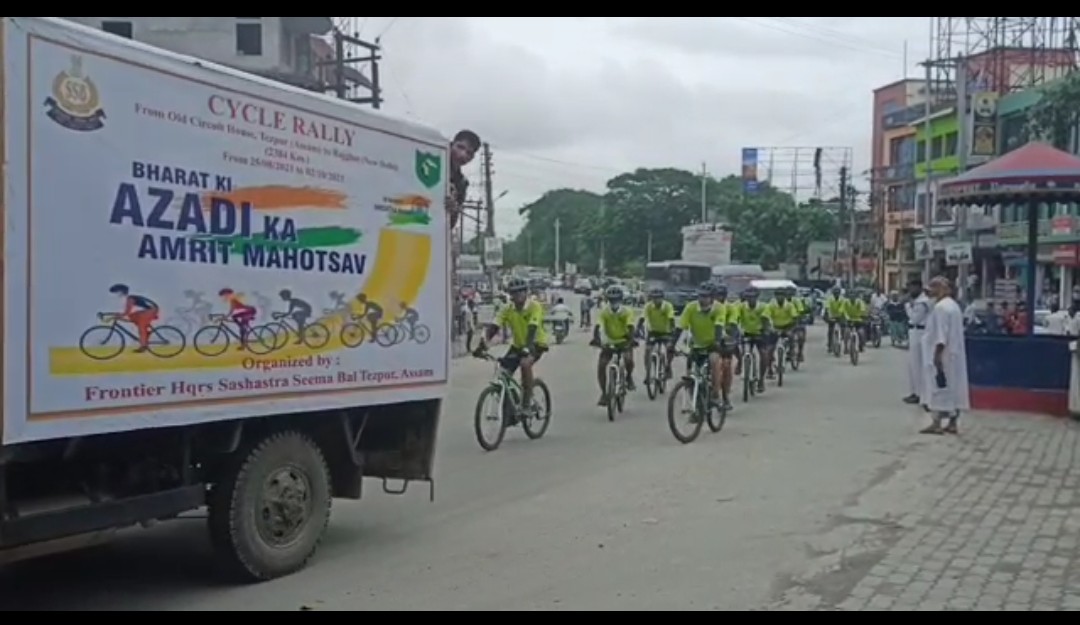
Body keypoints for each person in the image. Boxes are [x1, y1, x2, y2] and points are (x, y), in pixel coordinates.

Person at [475, 277, 547, 416]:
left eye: (521, 292)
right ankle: (510, 409)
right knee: (502, 373)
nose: (518, 296)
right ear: (510, 295)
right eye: (514, 293)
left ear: (526, 293)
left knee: (525, 364)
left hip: (535, 343)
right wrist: (483, 345)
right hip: (518, 345)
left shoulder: (534, 306)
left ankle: (526, 404)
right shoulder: (507, 308)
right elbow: (495, 326)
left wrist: (527, 347)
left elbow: (532, 327)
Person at [921, 276, 970, 435]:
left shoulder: (941, 308)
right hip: (954, 355)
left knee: (939, 388)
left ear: (944, 289)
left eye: (935, 287)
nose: (932, 291)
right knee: (953, 388)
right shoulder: (954, 306)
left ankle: (936, 422)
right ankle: (953, 422)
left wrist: (937, 356)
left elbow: (941, 335)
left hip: (943, 354)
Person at [674, 282, 732, 409]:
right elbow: (680, 327)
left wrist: (716, 343)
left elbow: (718, 326)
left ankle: (716, 395)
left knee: (714, 360)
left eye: (705, 297)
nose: (702, 300)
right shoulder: (690, 307)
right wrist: (671, 345)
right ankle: (695, 405)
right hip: (696, 345)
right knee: (690, 375)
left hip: (713, 344)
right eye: (700, 296)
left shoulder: (719, 308)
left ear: (712, 298)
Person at [590, 285, 637, 405]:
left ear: (621, 300)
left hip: (624, 340)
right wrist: (596, 339)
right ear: (607, 300)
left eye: (616, 300)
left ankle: (629, 377)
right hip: (609, 342)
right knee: (601, 366)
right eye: (611, 300)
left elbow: (631, 326)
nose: (614, 303)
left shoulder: (627, 311)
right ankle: (604, 393)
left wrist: (630, 341)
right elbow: (598, 326)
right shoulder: (604, 312)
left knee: (628, 360)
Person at [733, 286, 771, 393]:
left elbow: (766, 320)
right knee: (733, 345)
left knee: (764, 355)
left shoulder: (763, 307)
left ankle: (761, 380)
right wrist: (735, 330)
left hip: (760, 333)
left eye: (753, 297)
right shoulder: (741, 307)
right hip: (746, 333)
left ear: (757, 297)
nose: (751, 300)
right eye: (748, 297)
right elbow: (735, 319)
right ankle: (740, 361)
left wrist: (766, 331)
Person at [637, 287, 677, 381]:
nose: (656, 300)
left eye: (658, 298)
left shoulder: (668, 306)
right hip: (653, 332)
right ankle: (648, 373)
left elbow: (671, 319)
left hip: (666, 332)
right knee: (647, 350)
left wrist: (673, 331)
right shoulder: (648, 306)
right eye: (654, 298)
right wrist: (638, 328)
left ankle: (668, 366)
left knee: (669, 348)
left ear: (662, 298)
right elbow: (642, 317)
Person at [108, 284, 159, 353]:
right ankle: (145, 334)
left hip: (151, 310)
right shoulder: (131, 297)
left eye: (117, 292)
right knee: (133, 316)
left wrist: (117, 316)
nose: (117, 295)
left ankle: (143, 345)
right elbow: (127, 313)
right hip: (151, 310)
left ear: (122, 291)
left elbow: (127, 312)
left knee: (140, 325)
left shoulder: (130, 298)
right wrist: (117, 315)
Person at [903, 279, 931, 406]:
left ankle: (920, 394)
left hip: (920, 332)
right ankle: (914, 392)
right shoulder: (917, 301)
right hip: (914, 332)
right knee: (912, 366)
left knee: (918, 365)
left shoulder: (922, 302)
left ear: (918, 287)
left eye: (911, 287)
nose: (909, 290)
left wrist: (907, 306)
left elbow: (914, 318)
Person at [448, 130, 481, 230]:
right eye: (460, 147)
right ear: (451, 145)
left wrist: (452, 210)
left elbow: (451, 225)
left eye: (469, 153)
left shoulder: (462, 183)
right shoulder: (432, 164)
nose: (463, 155)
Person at [765, 287, 800, 371]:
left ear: (784, 296)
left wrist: (791, 329)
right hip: (775, 327)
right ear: (775, 296)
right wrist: (769, 328)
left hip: (787, 326)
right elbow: (765, 317)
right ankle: (769, 368)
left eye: (782, 295)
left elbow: (795, 317)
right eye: (778, 295)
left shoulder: (789, 305)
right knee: (770, 349)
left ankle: (791, 353)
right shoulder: (771, 305)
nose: (780, 297)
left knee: (791, 337)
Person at [824, 287, 848, 353]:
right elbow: (827, 307)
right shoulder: (830, 299)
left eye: (837, 293)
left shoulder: (842, 299)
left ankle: (845, 346)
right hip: (831, 315)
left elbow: (843, 308)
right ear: (833, 293)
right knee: (830, 331)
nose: (836, 294)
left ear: (839, 293)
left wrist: (841, 315)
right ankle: (829, 345)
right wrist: (828, 315)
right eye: (835, 293)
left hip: (840, 316)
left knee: (844, 330)